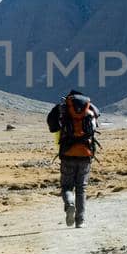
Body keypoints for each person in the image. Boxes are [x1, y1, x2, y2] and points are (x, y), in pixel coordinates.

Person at [46, 89, 98, 228]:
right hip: (86, 153)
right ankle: (80, 221)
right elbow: (96, 124)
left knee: (67, 186)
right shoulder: (90, 107)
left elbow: (52, 126)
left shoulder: (62, 108)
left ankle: (69, 204)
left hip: (67, 153)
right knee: (81, 188)